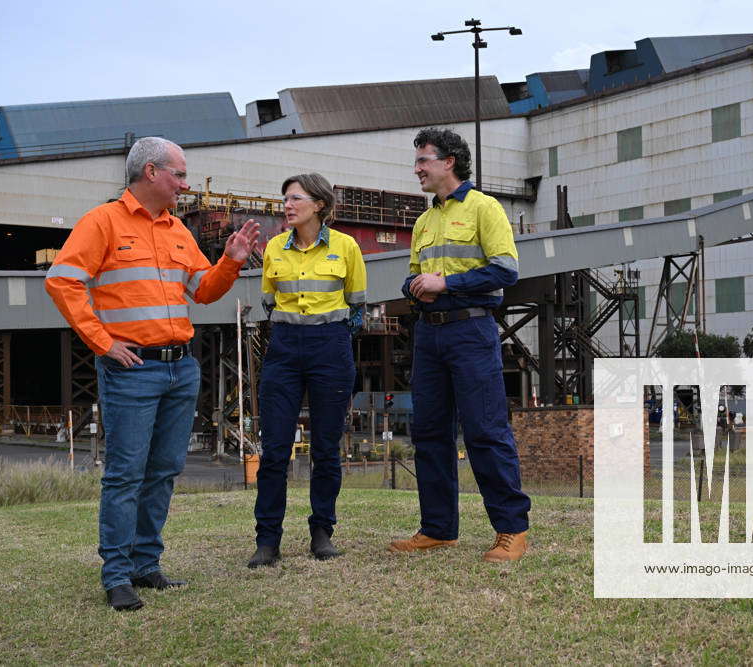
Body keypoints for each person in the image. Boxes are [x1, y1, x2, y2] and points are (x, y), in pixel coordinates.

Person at [44, 137, 259, 611]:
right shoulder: (102, 222)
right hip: (132, 369)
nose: (186, 184)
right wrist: (103, 342)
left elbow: (202, 291)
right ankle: (117, 575)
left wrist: (232, 260)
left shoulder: (178, 229)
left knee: (163, 471)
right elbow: (62, 280)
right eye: (180, 175)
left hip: (180, 368)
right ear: (150, 173)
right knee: (125, 475)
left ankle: (145, 565)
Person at [388, 127, 531, 562]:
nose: (417, 169)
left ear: (449, 161)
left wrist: (445, 282)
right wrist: (416, 287)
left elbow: (506, 271)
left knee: (485, 429)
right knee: (429, 432)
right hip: (429, 334)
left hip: (471, 331)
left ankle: (511, 529)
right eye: (416, 161)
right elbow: (413, 276)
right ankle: (438, 529)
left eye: (423, 160)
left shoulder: (485, 208)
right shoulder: (423, 221)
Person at [247, 173, 367, 568]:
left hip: (330, 349)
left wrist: (329, 338)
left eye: (296, 198)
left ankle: (322, 533)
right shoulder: (273, 249)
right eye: (285, 198)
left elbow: (357, 307)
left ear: (319, 204)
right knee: (275, 450)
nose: (287, 204)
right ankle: (267, 541)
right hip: (283, 350)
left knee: (326, 449)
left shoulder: (347, 248)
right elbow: (268, 301)